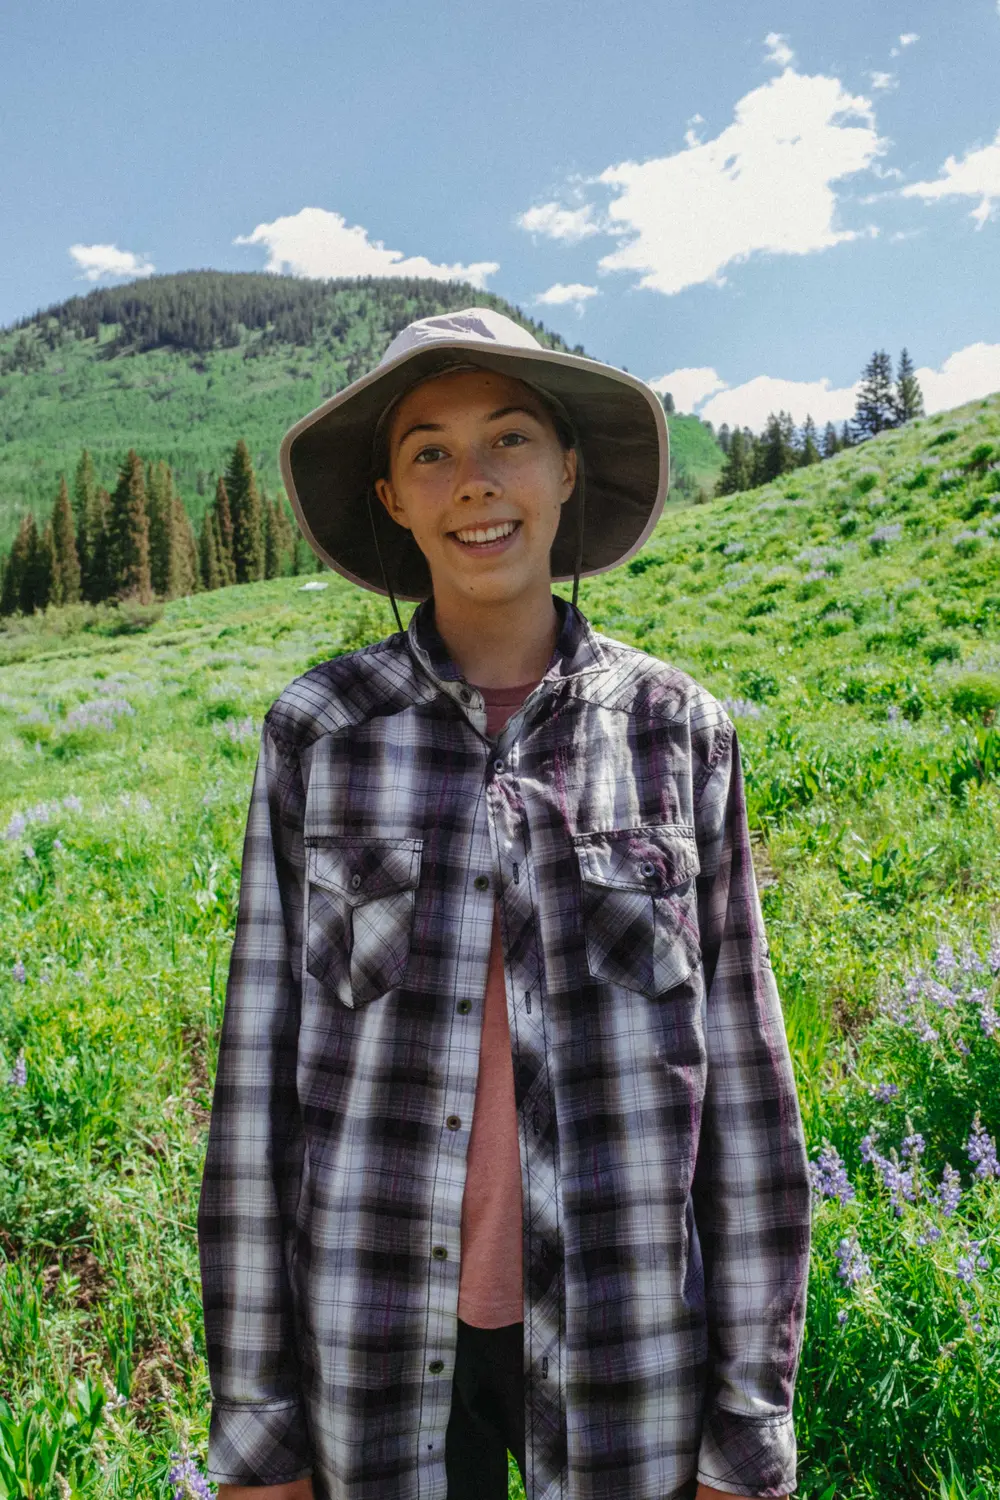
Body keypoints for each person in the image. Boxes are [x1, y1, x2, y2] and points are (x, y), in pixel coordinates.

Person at [198, 308, 811, 1500]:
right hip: (370, 1342)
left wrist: (747, 1422)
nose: (473, 484)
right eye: (429, 451)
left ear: (567, 468)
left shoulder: (677, 734)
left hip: (628, 1342)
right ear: (389, 495)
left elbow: (746, 1084)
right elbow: (254, 1096)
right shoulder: (317, 733)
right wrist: (257, 1425)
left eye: (511, 439)